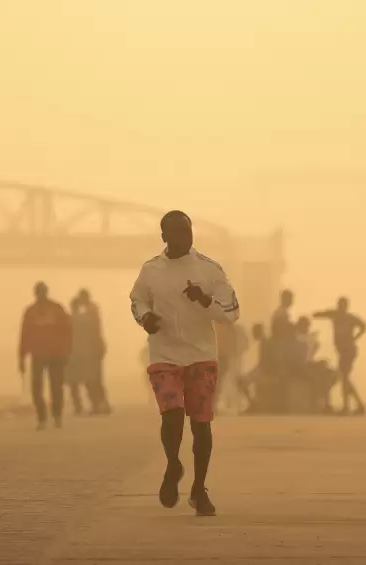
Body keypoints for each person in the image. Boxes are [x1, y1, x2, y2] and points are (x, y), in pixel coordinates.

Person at [131, 209, 241, 517]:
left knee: (201, 425)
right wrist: (146, 318)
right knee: (172, 416)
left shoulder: (209, 270)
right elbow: (137, 299)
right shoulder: (151, 270)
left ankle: (199, 488)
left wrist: (204, 299)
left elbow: (232, 312)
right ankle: (173, 465)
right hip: (164, 355)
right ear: (163, 236)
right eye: (176, 232)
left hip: (201, 356)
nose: (183, 236)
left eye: (187, 231)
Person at [19, 281, 72, 430]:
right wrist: (21, 357)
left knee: (56, 387)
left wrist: (67, 351)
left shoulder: (57, 309)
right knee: (37, 388)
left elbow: (67, 331)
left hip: (56, 355)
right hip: (38, 355)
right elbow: (24, 335)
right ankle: (42, 417)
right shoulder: (30, 311)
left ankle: (57, 416)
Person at [312, 297, 366, 415]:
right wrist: (316, 314)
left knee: (344, 378)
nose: (341, 308)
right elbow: (322, 314)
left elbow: (364, 326)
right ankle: (358, 405)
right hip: (344, 351)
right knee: (345, 378)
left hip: (348, 351)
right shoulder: (336, 315)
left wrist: (355, 337)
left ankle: (347, 407)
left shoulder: (349, 318)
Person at [68, 289, 110, 415]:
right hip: (87, 352)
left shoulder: (86, 315)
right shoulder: (87, 314)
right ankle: (99, 405)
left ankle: (98, 405)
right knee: (92, 380)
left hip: (89, 353)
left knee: (91, 380)